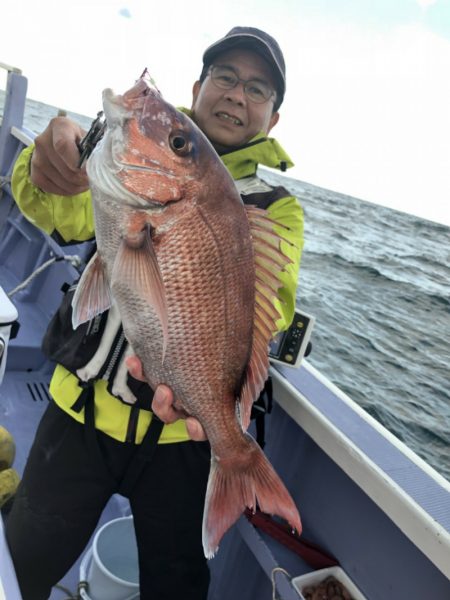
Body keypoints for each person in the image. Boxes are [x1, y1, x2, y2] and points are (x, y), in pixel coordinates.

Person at [6, 26, 304, 600]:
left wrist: (227, 417)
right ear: (197, 86)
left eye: (258, 88)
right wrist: (53, 159)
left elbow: (273, 309)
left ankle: (235, 467)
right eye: (225, 77)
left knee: (177, 587)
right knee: (21, 566)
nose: (237, 94)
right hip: (79, 413)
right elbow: (53, 212)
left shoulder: (276, 210)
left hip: (182, 439)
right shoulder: (128, 156)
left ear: (272, 119)